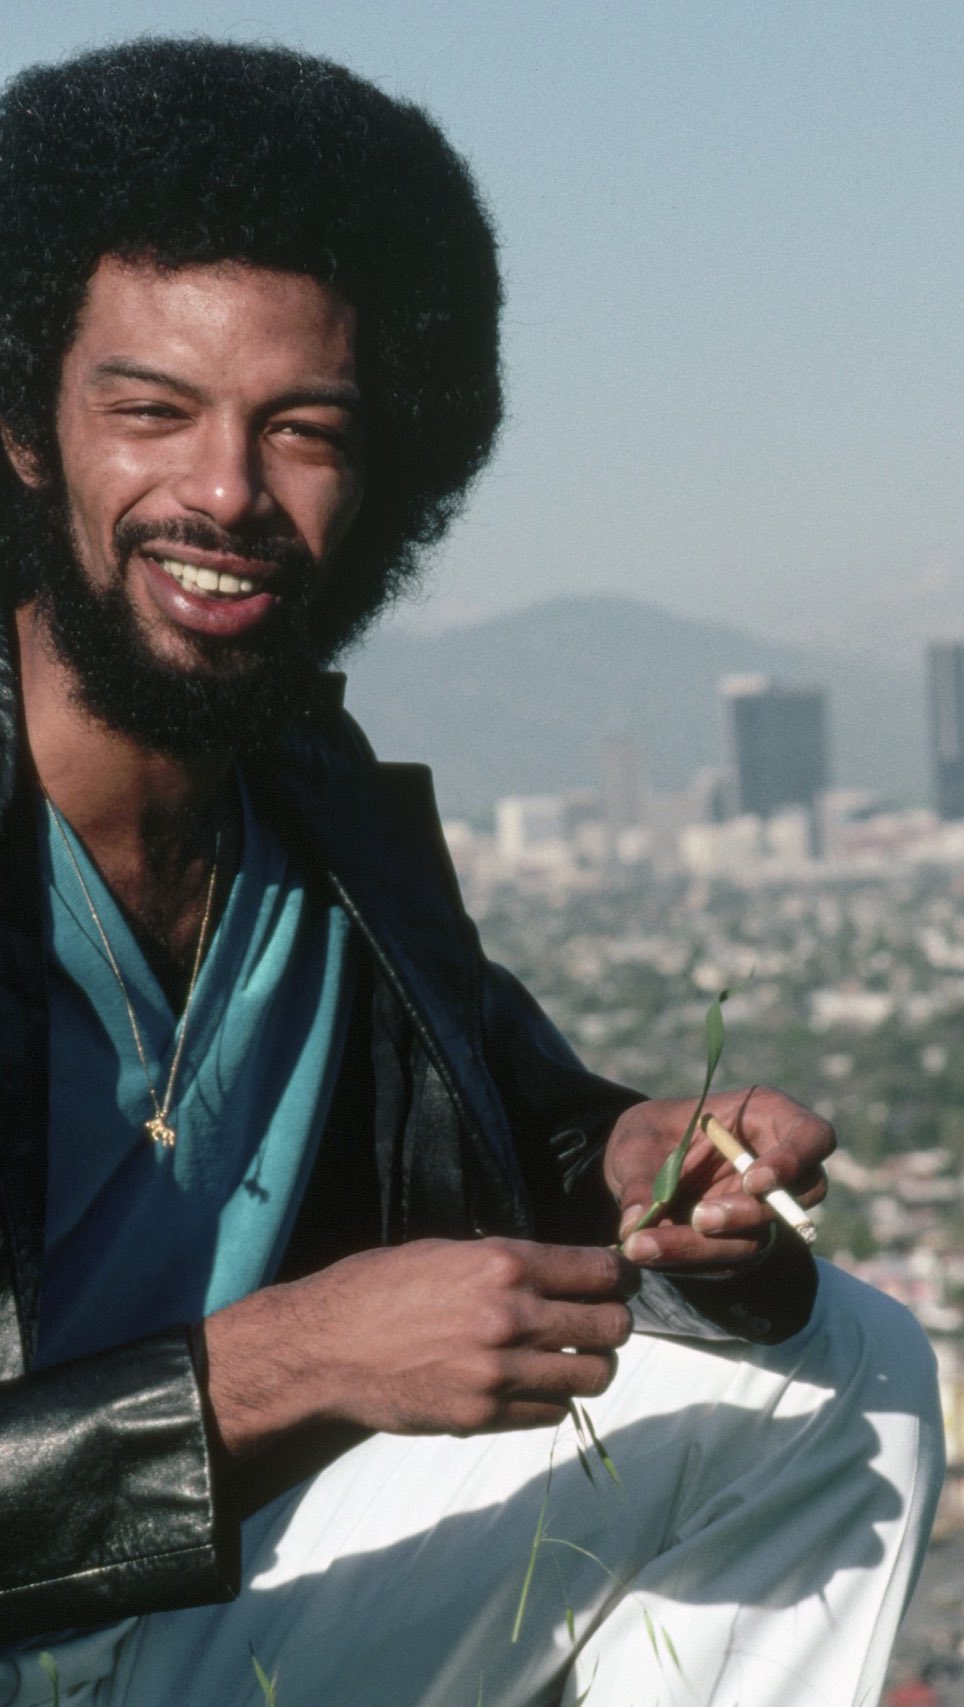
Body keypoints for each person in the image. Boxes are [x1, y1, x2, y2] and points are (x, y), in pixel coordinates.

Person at [0, 38, 942, 1707]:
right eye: (150, 411)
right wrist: (284, 1367)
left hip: (208, 1612)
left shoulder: (318, 823)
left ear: (386, 470)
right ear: (24, 428)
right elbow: (304, 1363)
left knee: (837, 1360)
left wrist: (658, 1163)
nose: (224, 490)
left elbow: (528, 1131)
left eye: (302, 430)